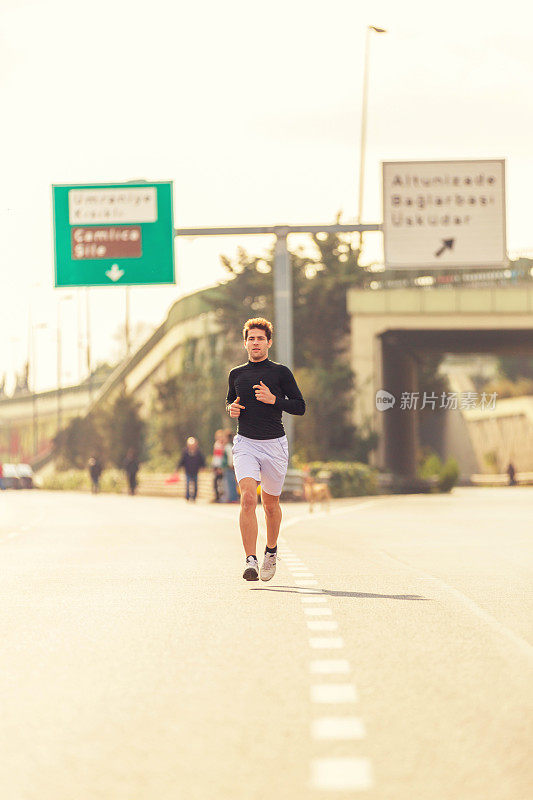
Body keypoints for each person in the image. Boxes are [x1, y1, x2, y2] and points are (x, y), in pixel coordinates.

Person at [226, 317, 305, 581]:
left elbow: (300, 406)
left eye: (260, 338)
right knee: (248, 498)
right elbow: (230, 401)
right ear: (245, 342)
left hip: (274, 445)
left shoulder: (280, 373)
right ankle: (250, 560)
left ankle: (271, 551)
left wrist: (275, 400)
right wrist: (231, 409)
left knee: (270, 505)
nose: (256, 343)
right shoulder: (236, 375)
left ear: (269, 342)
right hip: (246, 443)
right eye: (251, 338)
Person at [178, 436, 206, 501]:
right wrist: (178, 468)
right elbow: (182, 461)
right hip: (188, 471)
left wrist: (203, 467)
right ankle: (187, 496)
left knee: (195, 485)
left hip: (195, 471)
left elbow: (202, 460)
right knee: (187, 484)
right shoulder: (185, 452)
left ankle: (194, 497)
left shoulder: (198, 452)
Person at [223, 429, 239, 502]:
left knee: (230, 483)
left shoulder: (228, 446)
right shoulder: (232, 445)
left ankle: (232, 498)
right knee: (232, 483)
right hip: (232, 466)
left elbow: (230, 456)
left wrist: (230, 465)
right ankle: (233, 497)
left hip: (229, 467)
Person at [211, 429, 226, 502]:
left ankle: (221, 497)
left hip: (220, 466)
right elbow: (216, 457)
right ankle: (217, 497)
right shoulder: (217, 444)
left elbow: (221, 457)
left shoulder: (223, 446)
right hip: (216, 465)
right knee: (216, 482)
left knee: (221, 482)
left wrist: (220, 467)